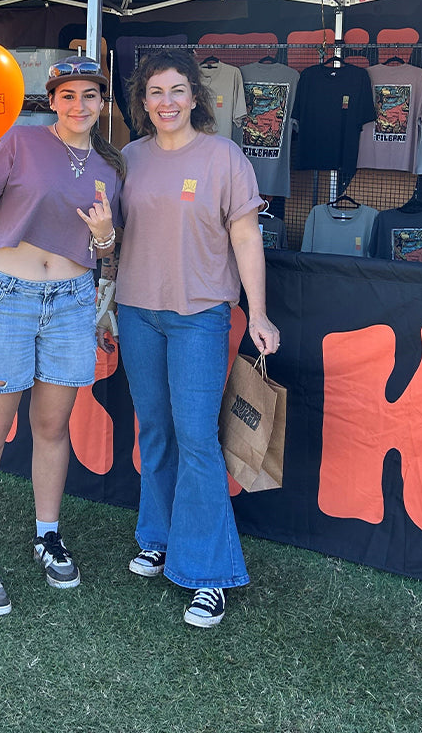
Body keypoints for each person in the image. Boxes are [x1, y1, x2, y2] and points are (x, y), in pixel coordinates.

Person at [0, 57, 124, 616]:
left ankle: (47, 535)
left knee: (52, 428)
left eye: (90, 95)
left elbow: (106, 251)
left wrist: (105, 237)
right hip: (8, 296)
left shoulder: (110, 166)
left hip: (72, 302)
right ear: (52, 101)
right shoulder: (20, 142)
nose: (79, 105)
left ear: (102, 103)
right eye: (68, 95)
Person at [115, 48, 280, 628]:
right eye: (155, 92)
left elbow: (247, 238)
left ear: (195, 97)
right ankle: (157, 537)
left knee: (197, 440)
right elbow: (112, 237)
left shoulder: (224, 157)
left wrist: (258, 314)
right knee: (155, 431)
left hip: (200, 316)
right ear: (142, 101)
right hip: (136, 312)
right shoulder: (128, 159)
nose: (167, 102)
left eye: (177, 90)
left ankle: (208, 572)